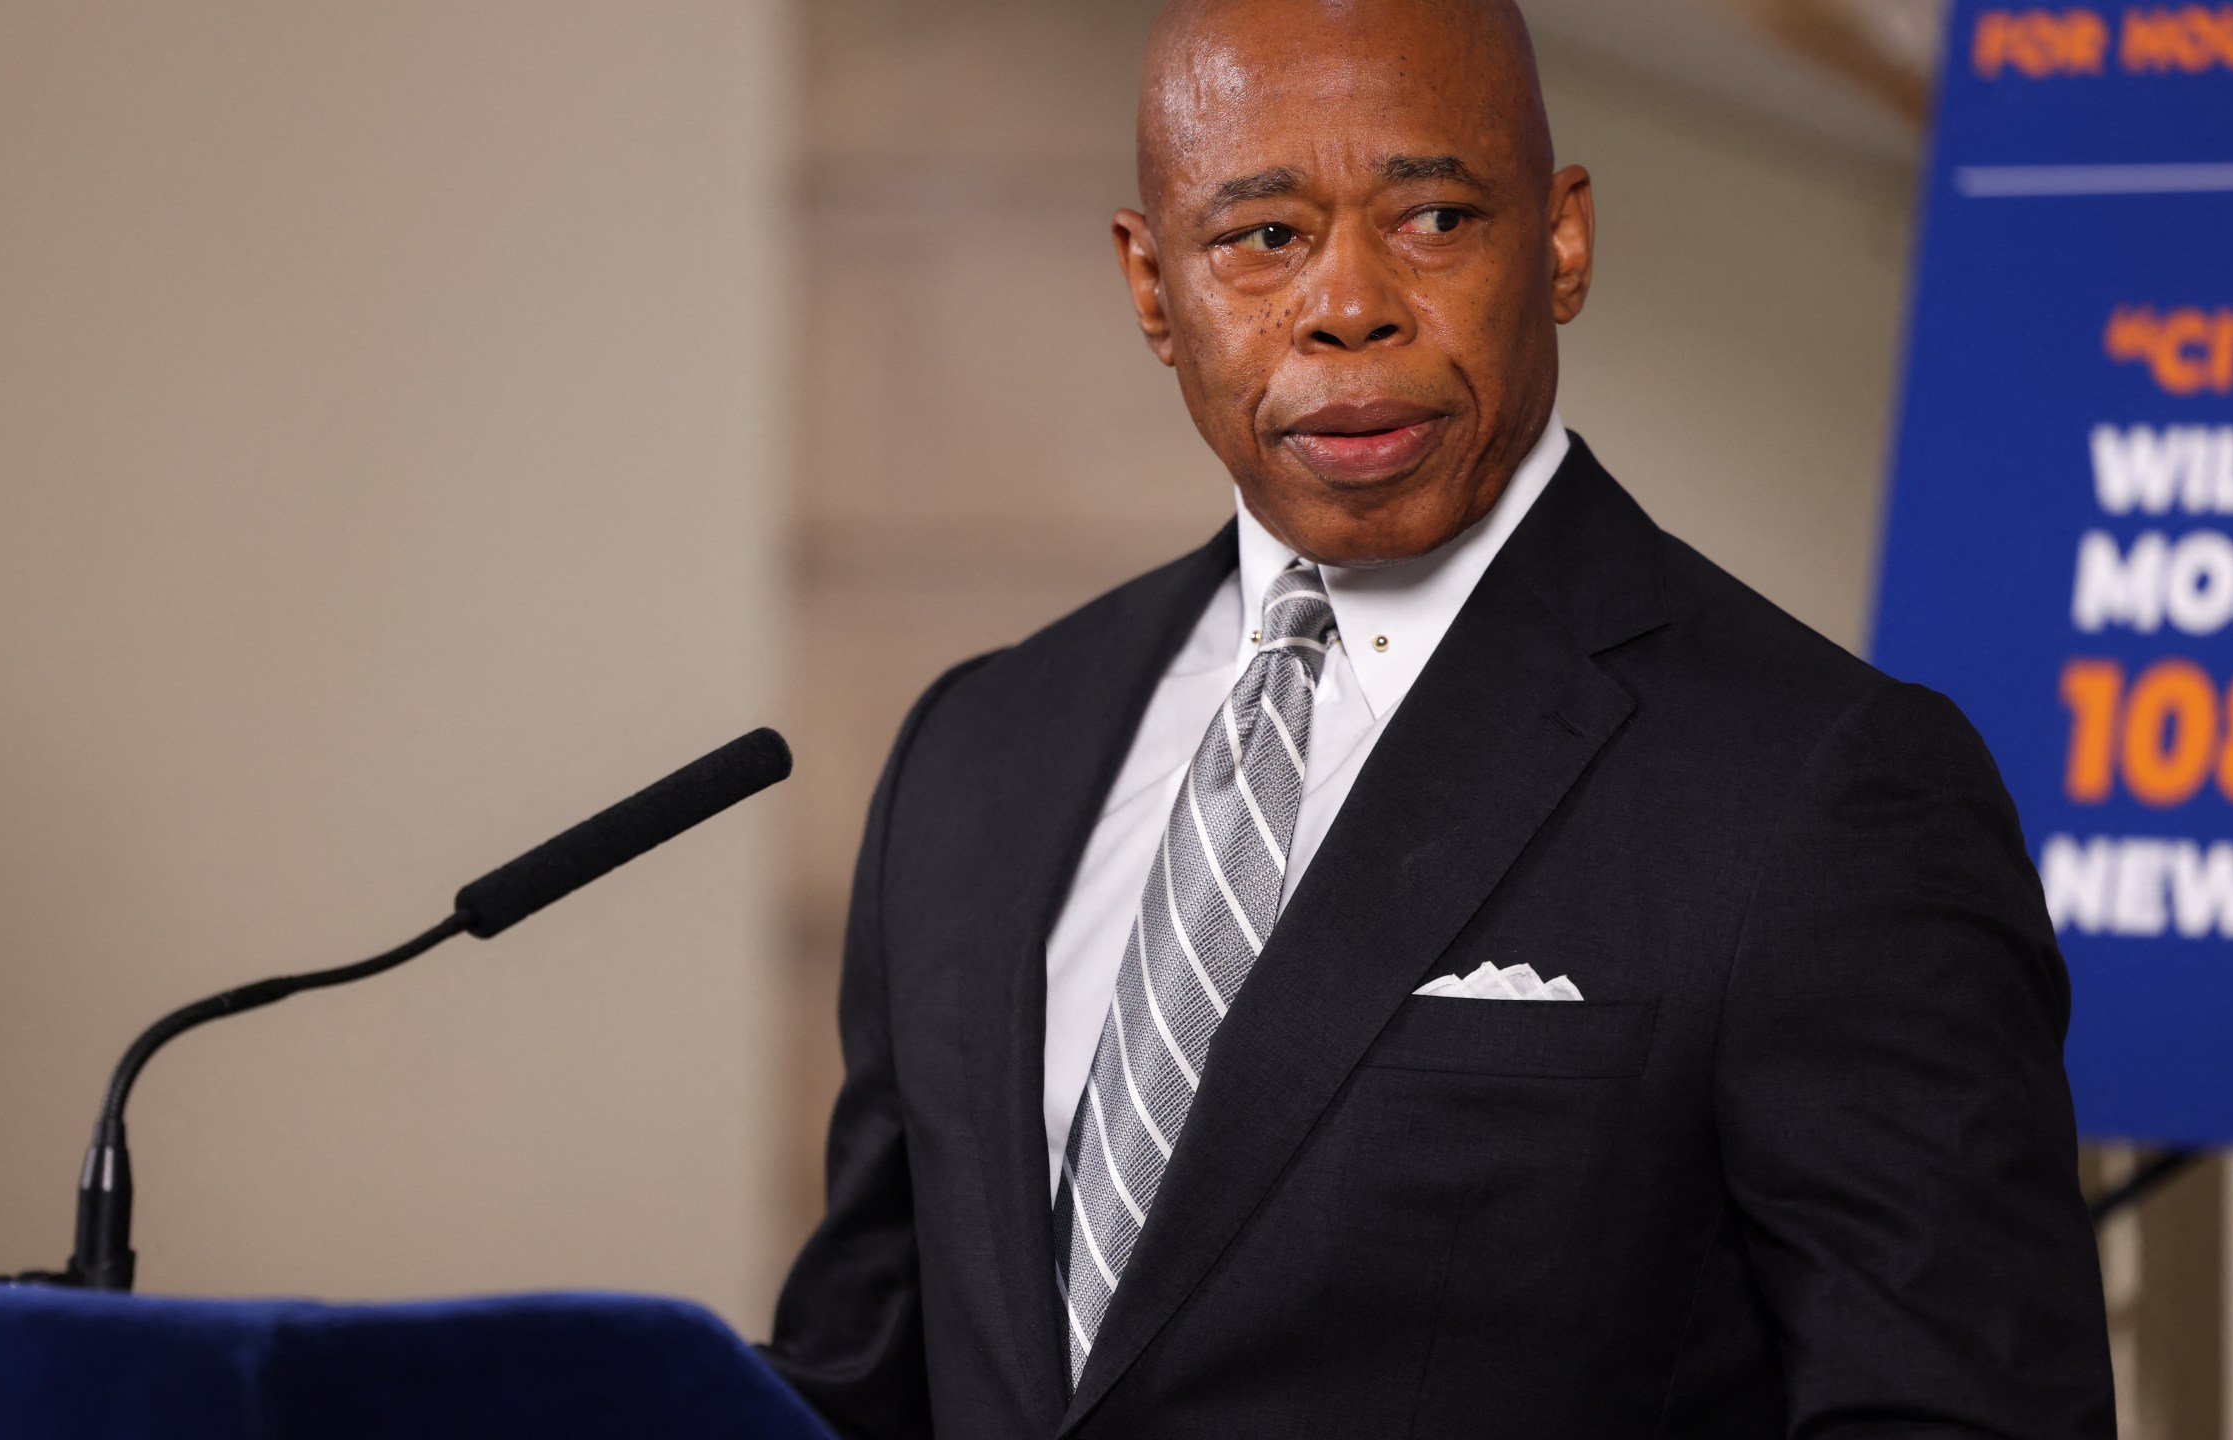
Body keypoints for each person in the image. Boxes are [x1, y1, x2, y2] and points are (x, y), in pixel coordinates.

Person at [765, 0, 2115, 1434]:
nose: (1349, 303)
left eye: (1433, 218)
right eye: (1263, 237)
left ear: (1563, 241)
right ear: (1153, 287)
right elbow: (868, 1376)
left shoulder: (1825, 791)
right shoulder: (977, 756)